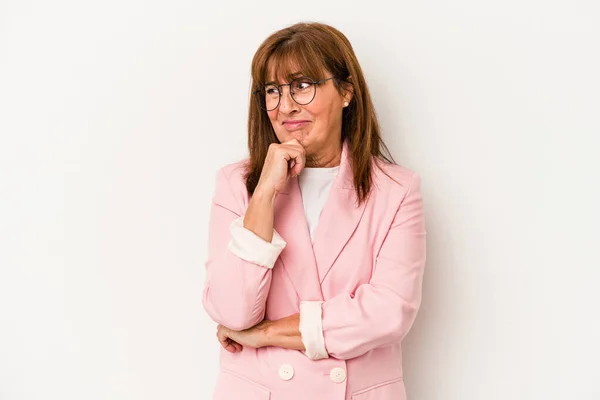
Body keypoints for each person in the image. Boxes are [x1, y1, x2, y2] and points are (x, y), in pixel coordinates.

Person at [202, 21, 427, 400]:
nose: (285, 105)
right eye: (272, 90)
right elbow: (232, 312)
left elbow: (388, 313)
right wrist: (264, 195)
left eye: (302, 86)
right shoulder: (236, 184)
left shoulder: (396, 191)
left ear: (345, 93)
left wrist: (266, 334)